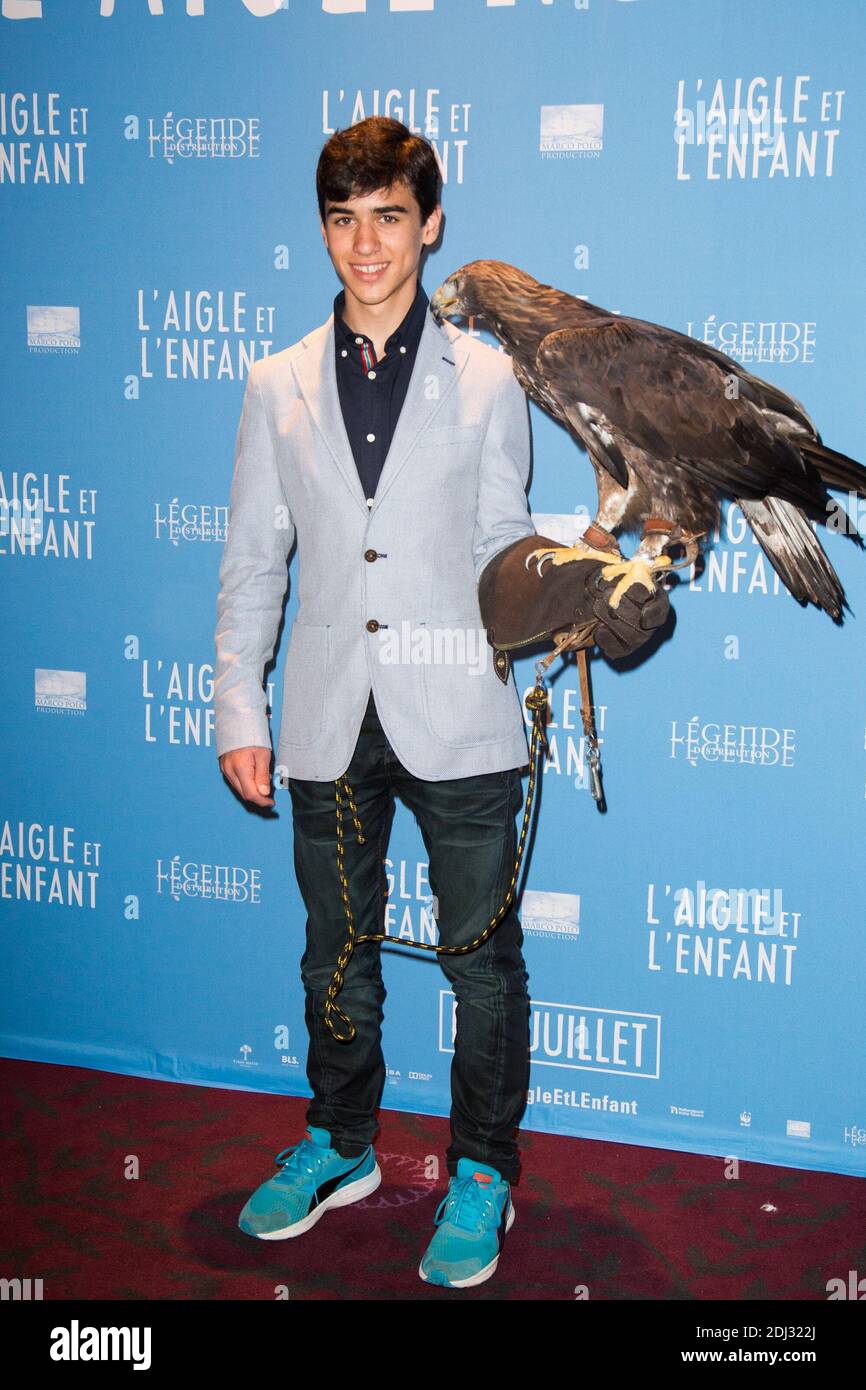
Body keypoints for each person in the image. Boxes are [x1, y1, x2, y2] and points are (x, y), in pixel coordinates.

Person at [214, 116, 669, 1290]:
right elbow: (253, 561)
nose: (364, 244)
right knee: (334, 952)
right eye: (341, 218)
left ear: (428, 226)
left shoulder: (489, 376)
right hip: (323, 709)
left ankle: (479, 1169)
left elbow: (498, 543)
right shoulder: (274, 382)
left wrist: (579, 587)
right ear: (323, 228)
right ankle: (340, 1142)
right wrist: (239, 709)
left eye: (387, 217)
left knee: (480, 960)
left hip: (456, 701)